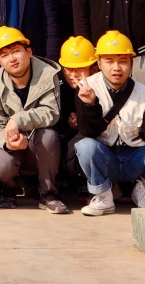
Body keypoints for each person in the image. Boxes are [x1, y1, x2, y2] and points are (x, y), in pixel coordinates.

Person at [74, 30, 145, 215]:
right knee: (85, 146)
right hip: (106, 157)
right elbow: (87, 132)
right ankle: (103, 196)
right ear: (99, 64)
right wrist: (90, 104)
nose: (117, 68)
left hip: (135, 158)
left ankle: (143, 191)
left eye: (123, 61)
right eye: (109, 61)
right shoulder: (87, 88)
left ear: (131, 63)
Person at [0, 26, 70, 213]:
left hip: (36, 144)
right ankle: (9, 188)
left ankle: (48, 193)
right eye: (4, 55)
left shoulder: (48, 74)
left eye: (16, 51)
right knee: (3, 162)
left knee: (48, 136)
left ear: (29, 51)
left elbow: (51, 112)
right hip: (11, 146)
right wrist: (8, 142)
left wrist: (18, 120)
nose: (12, 58)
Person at [54, 36, 97, 193]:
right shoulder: (56, 82)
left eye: (80, 68)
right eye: (68, 69)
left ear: (94, 68)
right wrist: (66, 119)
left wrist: (84, 117)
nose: (73, 74)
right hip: (64, 132)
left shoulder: (101, 83)